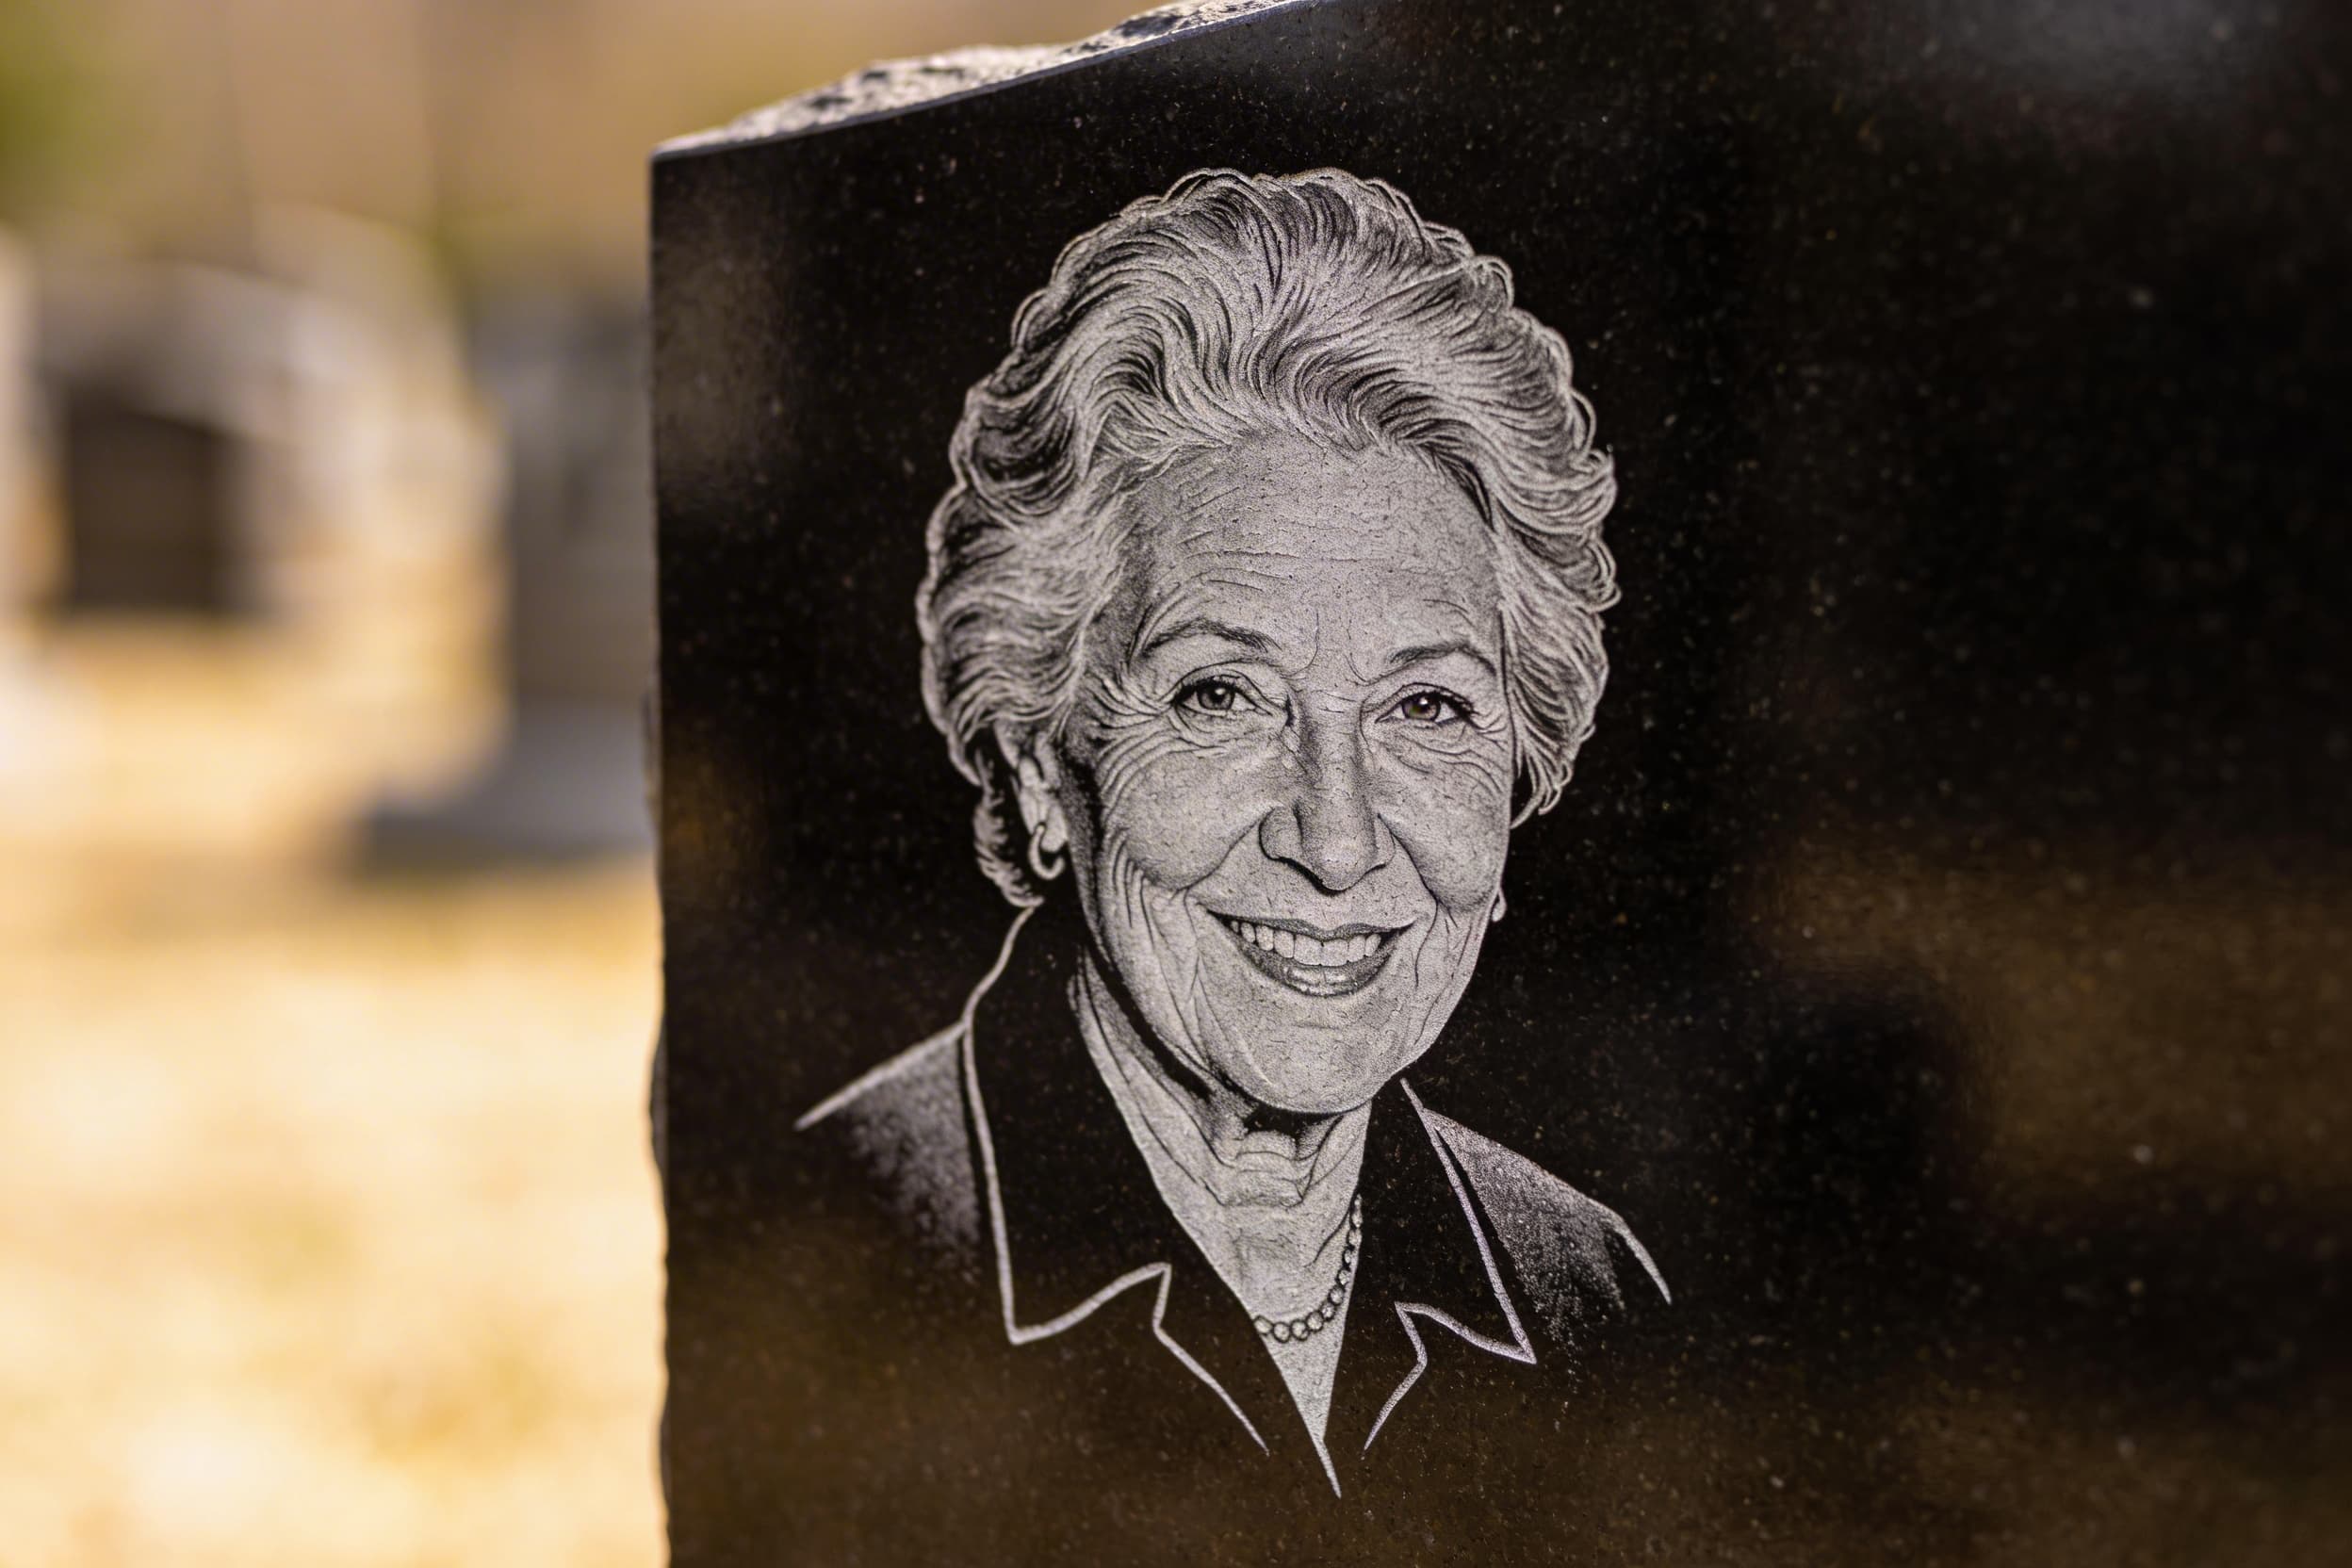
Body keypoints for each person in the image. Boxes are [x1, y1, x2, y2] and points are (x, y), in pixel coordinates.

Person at [799, 167, 1667, 1500]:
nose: (1336, 840)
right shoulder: (839, 1237)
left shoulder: (1580, 1288)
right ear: (1043, 761)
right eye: (1221, 696)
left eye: (1428, 706)